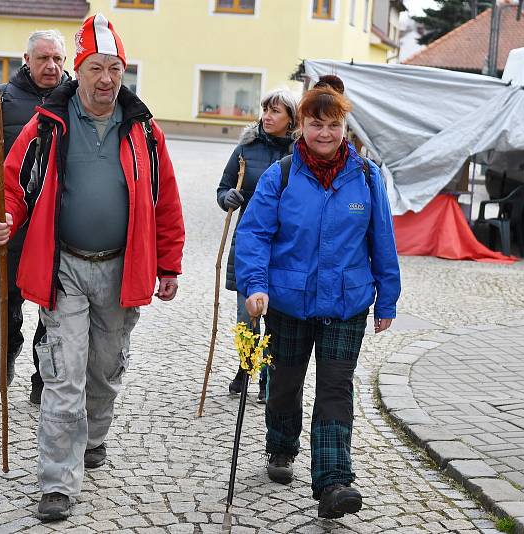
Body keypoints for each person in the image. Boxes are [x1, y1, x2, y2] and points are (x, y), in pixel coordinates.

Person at [0, 14, 184, 522]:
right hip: (65, 267)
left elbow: (165, 202)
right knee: (64, 374)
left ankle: (95, 435)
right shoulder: (49, 123)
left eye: (115, 68)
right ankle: (57, 481)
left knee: (104, 369)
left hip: (122, 270)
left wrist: (169, 263)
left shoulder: (144, 129)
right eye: (96, 67)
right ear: (79, 70)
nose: (106, 79)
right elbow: (13, 184)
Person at [235, 84, 400, 519]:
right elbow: (254, 234)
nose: (325, 133)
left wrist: (387, 299)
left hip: (346, 304)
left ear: (345, 127)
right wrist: (255, 285)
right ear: (301, 127)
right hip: (288, 302)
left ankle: (334, 482)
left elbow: (382, 237)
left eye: (334, 124)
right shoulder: (283, 174)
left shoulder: (365, 176)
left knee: (334, 389)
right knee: (285, 384)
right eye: (316, 124)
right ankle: (281, 445)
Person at [0, 30, 70, 401]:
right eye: (43, 59)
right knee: (4, 295)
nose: (51, 66)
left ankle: (43, 372)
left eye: (57, 59)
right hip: (13, 218)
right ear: (27, 60)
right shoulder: (4, 99)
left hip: (57, 221)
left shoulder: (75, 101)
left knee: (53, 300)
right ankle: (6, 350)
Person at [216, 88, 297, 403]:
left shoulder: (300, 153)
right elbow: (223, 188)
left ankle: (268, 377)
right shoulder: (245, 148)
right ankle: (245, 366)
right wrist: (228, 198)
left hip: (285, 247)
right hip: (249, 244)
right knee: (246, 316)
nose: (267, 116)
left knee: (276, 316)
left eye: (276, 111)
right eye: (265, 109)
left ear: (291, 119)